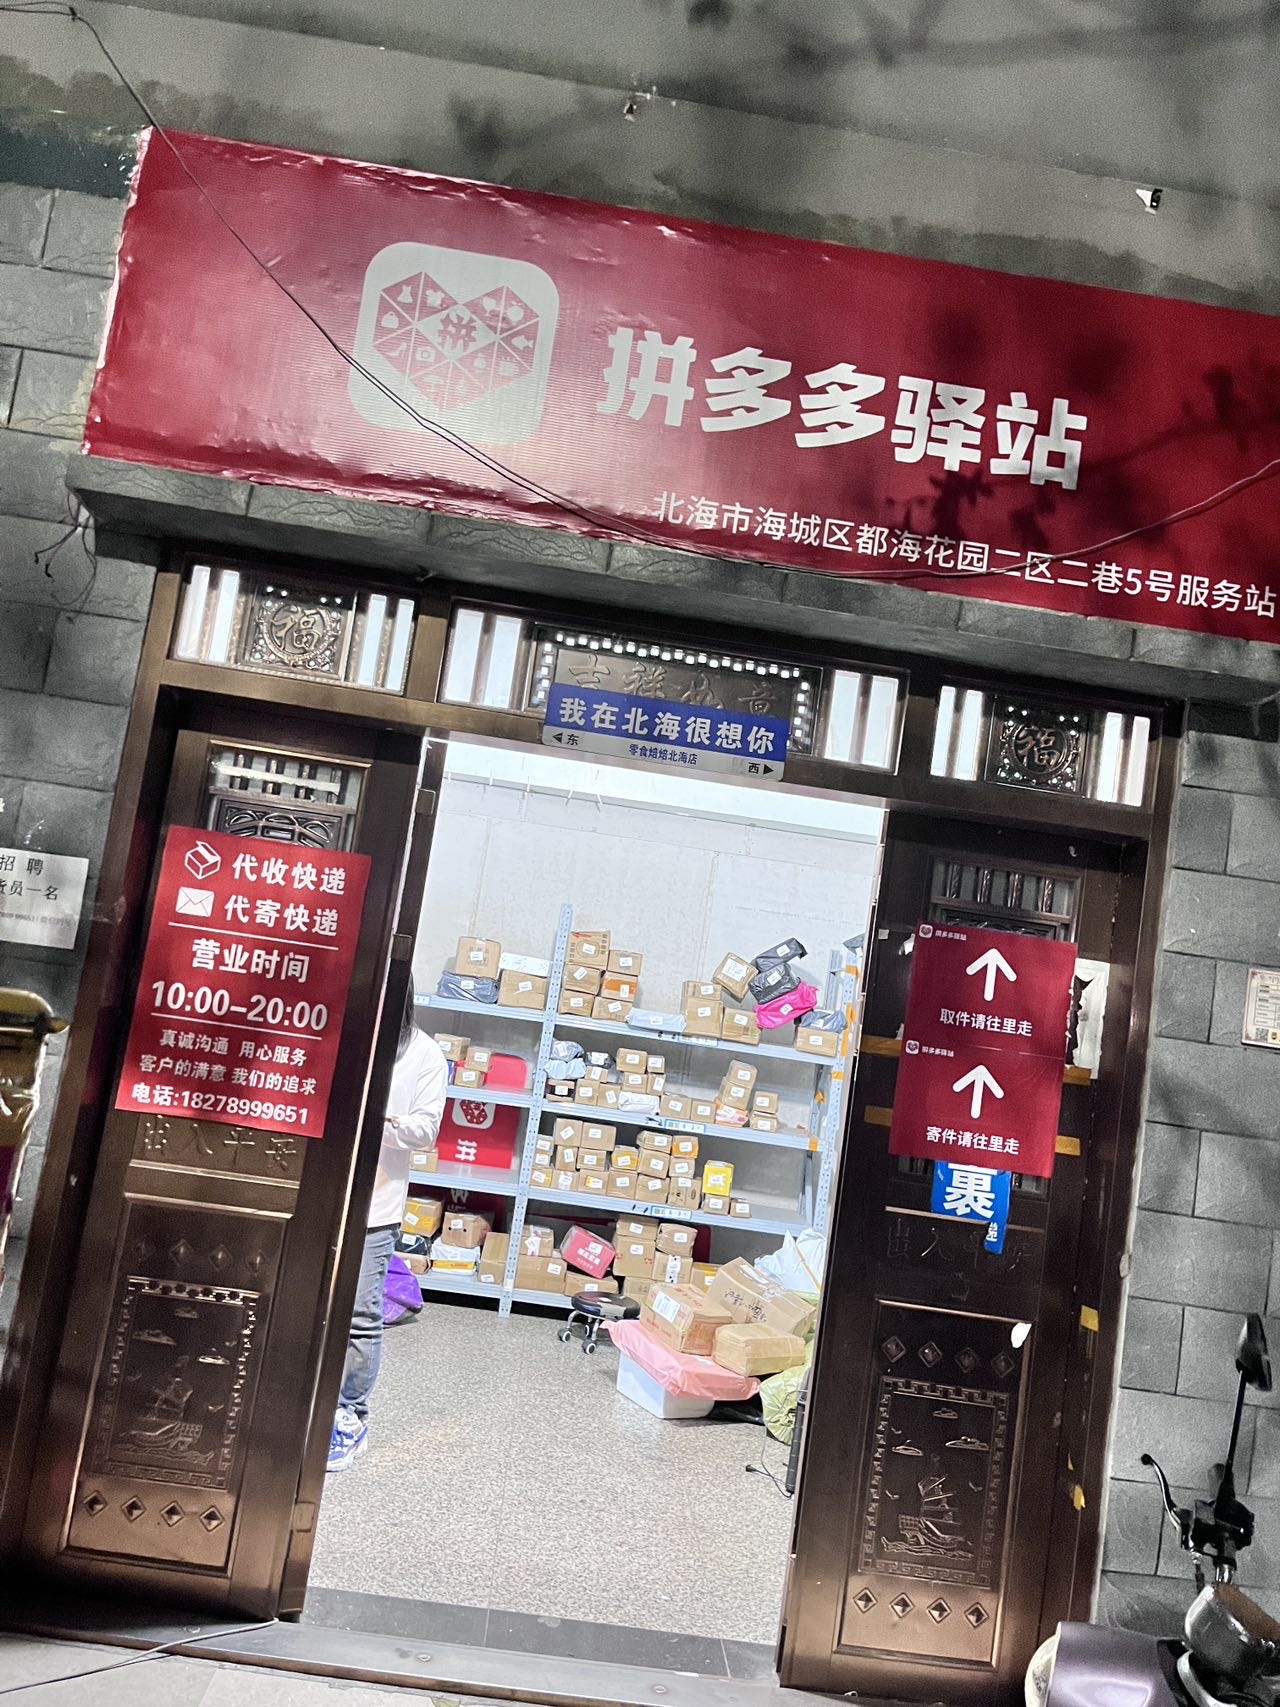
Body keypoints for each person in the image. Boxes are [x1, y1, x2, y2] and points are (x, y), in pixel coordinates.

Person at [328, 992, 447, 1472]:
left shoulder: (423, 1053)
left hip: (375, 1206)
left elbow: (426, 1130)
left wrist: (378, 1121)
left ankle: (349, 1415)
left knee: (360, 1315)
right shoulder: (340, 1033)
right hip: (320, 1198)